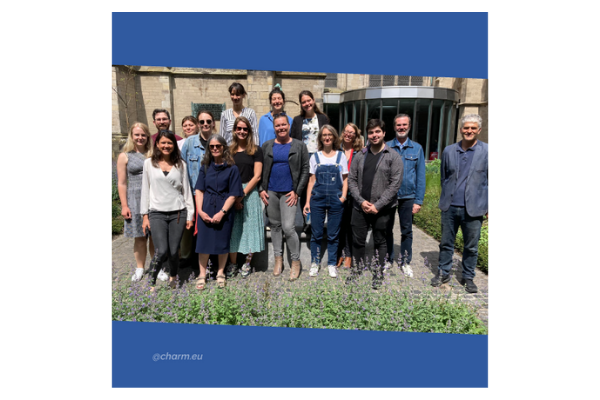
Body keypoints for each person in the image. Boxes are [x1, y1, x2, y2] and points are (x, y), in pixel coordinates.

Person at [431, 114, 488, 294]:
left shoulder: (487, 152)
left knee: (471, 245)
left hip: (474, 208)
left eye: (473, 128)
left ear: (479, 130)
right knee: (446, 242)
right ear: (461, 129)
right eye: (466, 128)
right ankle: (444, 272)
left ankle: (468, 276)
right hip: (450, 206)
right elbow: (444, 178)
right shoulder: (449, 150)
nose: (469, 131)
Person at [347, 119, 403, 289]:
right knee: (358, 241)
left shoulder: (393, 156)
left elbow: (395, 184)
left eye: (377, 132)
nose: (374, 135)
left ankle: (378, 273)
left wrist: (377, 205)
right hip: (360, 207)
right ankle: (356, 270)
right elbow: (352, 180)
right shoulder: (360, 155)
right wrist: (362, 201)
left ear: (384, 133)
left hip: (383, 209)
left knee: (380, 241)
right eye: (371, 132)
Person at [140, 131, 194, 290]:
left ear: (174, 145)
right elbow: (145, 190)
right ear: (157, 144)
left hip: (178, 212)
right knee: (161, 250)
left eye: (169, 143)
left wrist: (190, 215)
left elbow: (187, 190)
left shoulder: (181, 164)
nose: (166, 146)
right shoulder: (149, 163)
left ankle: (173, 276)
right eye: (163, 143)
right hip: (157, 212)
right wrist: (145, 216)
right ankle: (151, 280)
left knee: (173, 250)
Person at [259, 113, 309, 281]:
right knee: (274, 226)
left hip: (289, 193)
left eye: (283, 125)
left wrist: (297, 191)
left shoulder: (299, 145)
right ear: (274, 128)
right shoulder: (267, 146)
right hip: (271, 191)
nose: (281, 128)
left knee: (288, 227)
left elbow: (304, 169)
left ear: (288, 125)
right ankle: (278, 260)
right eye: (277, 125)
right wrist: (261, 189)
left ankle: (295, 261)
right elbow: (259, 169)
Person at [194, 135, 243, 290]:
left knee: (223, 242)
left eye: (218, 146)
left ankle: (220, 273)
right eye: (212, 146)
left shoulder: (232, 168)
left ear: (223, 147)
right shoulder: (205, 167)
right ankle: (202, 274)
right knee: (203, 243)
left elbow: (234, 193)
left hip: (224, 209)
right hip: (206, 207)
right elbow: (199, 190)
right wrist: (200, 212)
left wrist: (222, 212)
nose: (215, 149)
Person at [303, 125, 348, 278]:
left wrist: (343, 197)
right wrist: (307, 202)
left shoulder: (340, 156)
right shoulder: (315, 156)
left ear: (334, 137)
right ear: (321, 138)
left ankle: (331, 263)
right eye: (324, 135)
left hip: (336, 199)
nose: (327, 137)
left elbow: (345, 179)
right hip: (317, 199)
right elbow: (311, 181)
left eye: (330, 135)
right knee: (316, 233)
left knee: (333, 234)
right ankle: (315, 262)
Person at [385, 114, 426, 277]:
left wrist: (418, 200)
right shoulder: (386, 146)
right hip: (388, 197)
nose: (401, 127)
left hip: (408, 197)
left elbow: (421, 176)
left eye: (404, 125)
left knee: (407, 230)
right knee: (386, 229)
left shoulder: (417, 148)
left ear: (409, 126)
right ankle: (388, 259)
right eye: (398, 125)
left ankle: (405, 261)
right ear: (394, 127)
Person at [116, 122, 156, 281]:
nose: (140, 138)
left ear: (147, 136)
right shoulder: (125, 156)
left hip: (153, 198)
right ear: (132, 136)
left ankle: (156, 266)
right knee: (139, 236)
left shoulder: (153, 154)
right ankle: (140, 268)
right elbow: (122, 183)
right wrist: (124, 205)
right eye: (137, 135)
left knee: (155, 236)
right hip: (134, 198)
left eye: (143, 135)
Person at [228, 116, 265, 278]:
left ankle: (247, 263)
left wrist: (241, 196)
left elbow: (257, 176)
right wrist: (233, 197)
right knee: (233, 230)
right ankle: (233, 264)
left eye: (245, 129)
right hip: (231, 193)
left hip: (249, 193)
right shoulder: (229, 151)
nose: (242, 131)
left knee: (250, 229)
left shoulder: (256, 150)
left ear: (249, 131)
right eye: (239, 128)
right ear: (235, 130)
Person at [180, 111, 216, 273]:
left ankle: (211, 262)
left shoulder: (218, 141)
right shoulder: (189, 143)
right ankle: (194, 262)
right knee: (193, 228)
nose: (205, 124)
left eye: (208, 121)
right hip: (193, 193)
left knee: (211, 227)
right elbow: (180, 167)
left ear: (213, 123)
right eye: (202, 121)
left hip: (213, 193)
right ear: (198, 124)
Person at [336, 122, 363, 269]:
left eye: (352, 132)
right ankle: (340, 253)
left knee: (350, 225)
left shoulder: (359, 153)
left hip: (353, 194)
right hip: (338, 193)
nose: (348, 134)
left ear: (355, 136)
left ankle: (348, 254)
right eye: (346, 131)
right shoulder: (336, 149)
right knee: (339, 225)